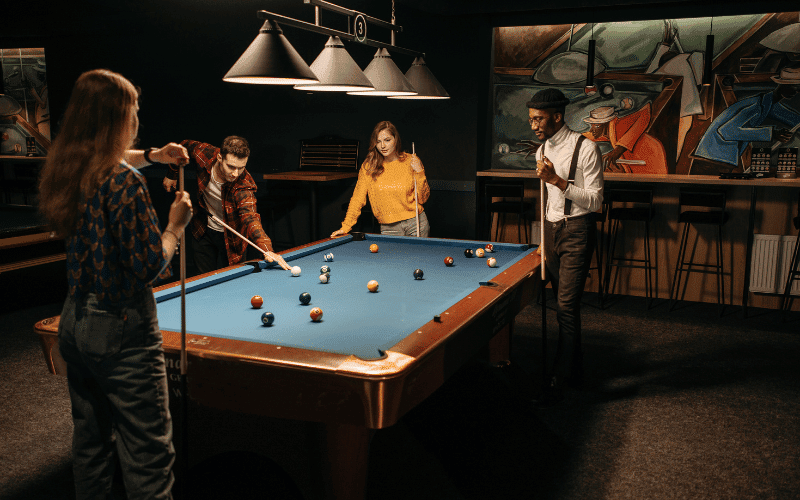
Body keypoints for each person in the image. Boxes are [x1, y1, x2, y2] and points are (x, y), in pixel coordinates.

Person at [37, 68, 193, 499]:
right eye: (133, 109)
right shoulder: (125, 183)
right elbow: (148, 266)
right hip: (122, 330)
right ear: (117, 116)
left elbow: (117, 156)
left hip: (74, 320)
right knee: (149, 456)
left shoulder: (70, 167)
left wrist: (156, 155)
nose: (137, 116)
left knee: (91, 445)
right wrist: (175, 227)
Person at [529, 88, 604, 402]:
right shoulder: (541, 150)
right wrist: (542, 240)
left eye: (539, 119)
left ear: (557, 116)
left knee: (566, 307)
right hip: (552, 230)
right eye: (531, 119)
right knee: (559, 305)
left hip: (577, 231)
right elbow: (547, 200)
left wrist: (558, 180)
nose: (534, 125)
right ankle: (574, 370)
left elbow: (597, 201)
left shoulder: (586, 148)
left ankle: (560, 378)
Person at [162, 137, 290, 273]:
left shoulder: (244, 185)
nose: (235, 173)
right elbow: (183, 146)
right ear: (219, 157)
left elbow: (251, 218)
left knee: (232, 282)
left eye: (241, 168)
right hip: (202, 228)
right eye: (231, 167)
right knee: (203, 278)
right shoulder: (204, 153)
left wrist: (267, 250)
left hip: (231, 238)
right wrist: (172, 173)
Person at [331, 121, 431, 238]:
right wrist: (346, 226)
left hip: (416, 224)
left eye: (387, 140)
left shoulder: (411, 161)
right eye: (378, 141)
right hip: (389, 228)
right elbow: (357, 198)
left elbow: (423, 199)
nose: (382, 146)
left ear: (396, 140)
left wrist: (419, 172)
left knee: (417, 257)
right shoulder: (369, 166)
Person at [694, 67, 800, 171]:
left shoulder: (768, 104)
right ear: (784, 85)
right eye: (796, 87)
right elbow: (727, 131)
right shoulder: (755, 105)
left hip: (719, 157)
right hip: (712, 157)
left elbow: (794, 119)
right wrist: (772, 134)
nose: (798, 91)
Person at [583, 103, 668, 174]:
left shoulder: (621, 124)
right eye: (592, 126)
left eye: (596, 126)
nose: (591, 130)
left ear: (606, 124)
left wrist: (618, 150)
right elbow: (589, 135)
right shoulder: (607, 132)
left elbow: (645, 112)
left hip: (650, 155)